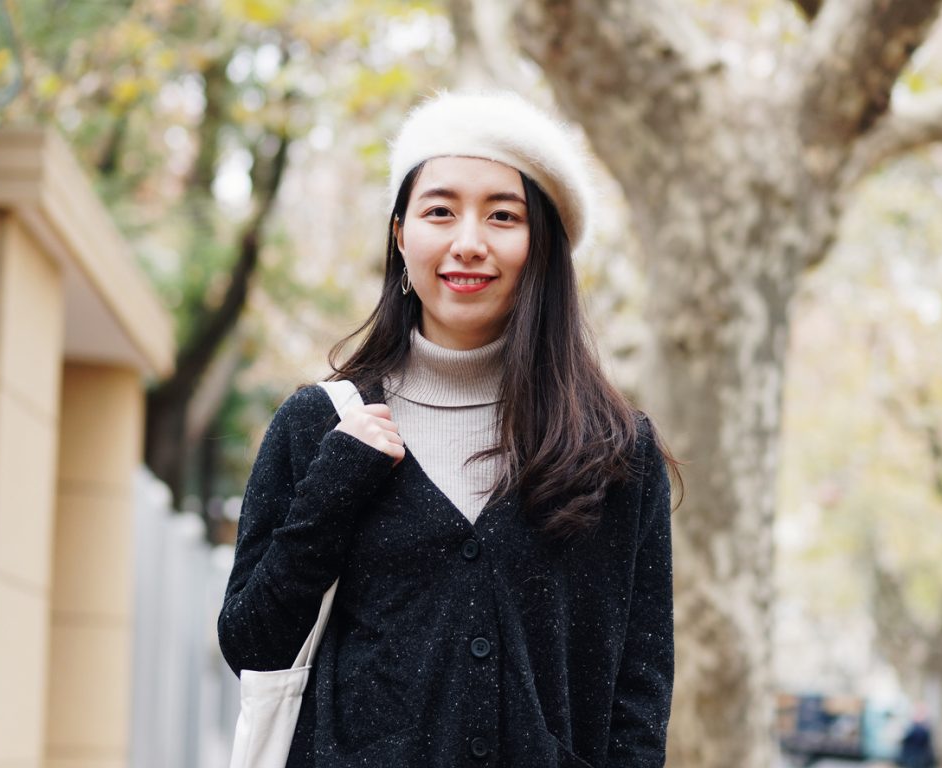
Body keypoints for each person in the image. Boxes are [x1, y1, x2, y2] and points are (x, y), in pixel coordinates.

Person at [218, 90, 681, 767]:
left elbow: (639, 697)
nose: (468, 243)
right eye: (440, 211)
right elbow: (252, 644)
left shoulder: (612, 449)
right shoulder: (318, 425)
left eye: (502, 215)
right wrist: (335, 488)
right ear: (401, 233)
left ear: (542, 245)